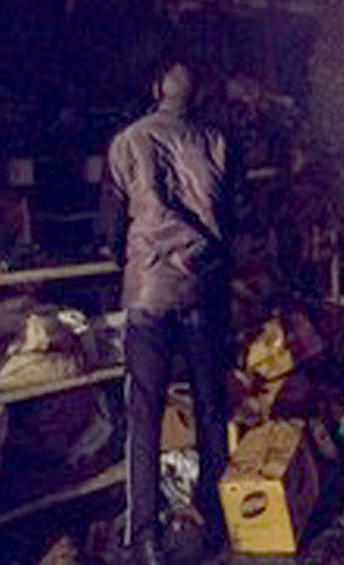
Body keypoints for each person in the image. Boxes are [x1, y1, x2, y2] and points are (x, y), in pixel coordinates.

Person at [103, 60, 237, 564]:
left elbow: (110, 226)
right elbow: (235, 215)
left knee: (144, 414)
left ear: (155, 86)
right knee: (210, 408)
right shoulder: (217, 141)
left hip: (148, 295)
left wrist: (125, 257)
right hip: (202, 291)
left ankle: (146, 537)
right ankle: (217, 523)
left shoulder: (128, 141)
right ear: (196, 92)